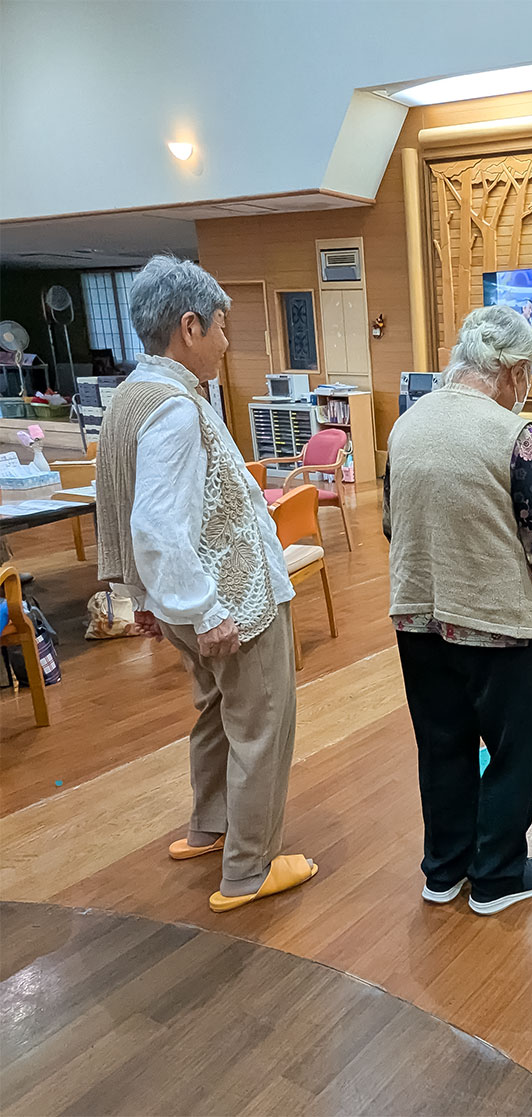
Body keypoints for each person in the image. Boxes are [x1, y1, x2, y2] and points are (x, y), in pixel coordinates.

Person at [95, 255, 315, 913]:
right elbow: (157, 522)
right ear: (188, 326)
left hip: (179, 601)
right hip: (228, 602)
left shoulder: (130, 395)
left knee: (217, 717)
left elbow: (118, 505)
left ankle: (209, 828)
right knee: (262, 723)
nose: (226, 342)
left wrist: (144, 596)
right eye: (221, 327)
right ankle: (248, 869)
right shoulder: (175, 409)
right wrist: (204, 605)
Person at [385, 304, 532, 916]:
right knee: (512, 751)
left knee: (441, 744)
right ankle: (496, 876)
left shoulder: (404, 427)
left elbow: (392, 524)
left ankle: (443, 869)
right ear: (514, 369)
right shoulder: (514, 436)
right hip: (497, 624)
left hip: (416, 616)